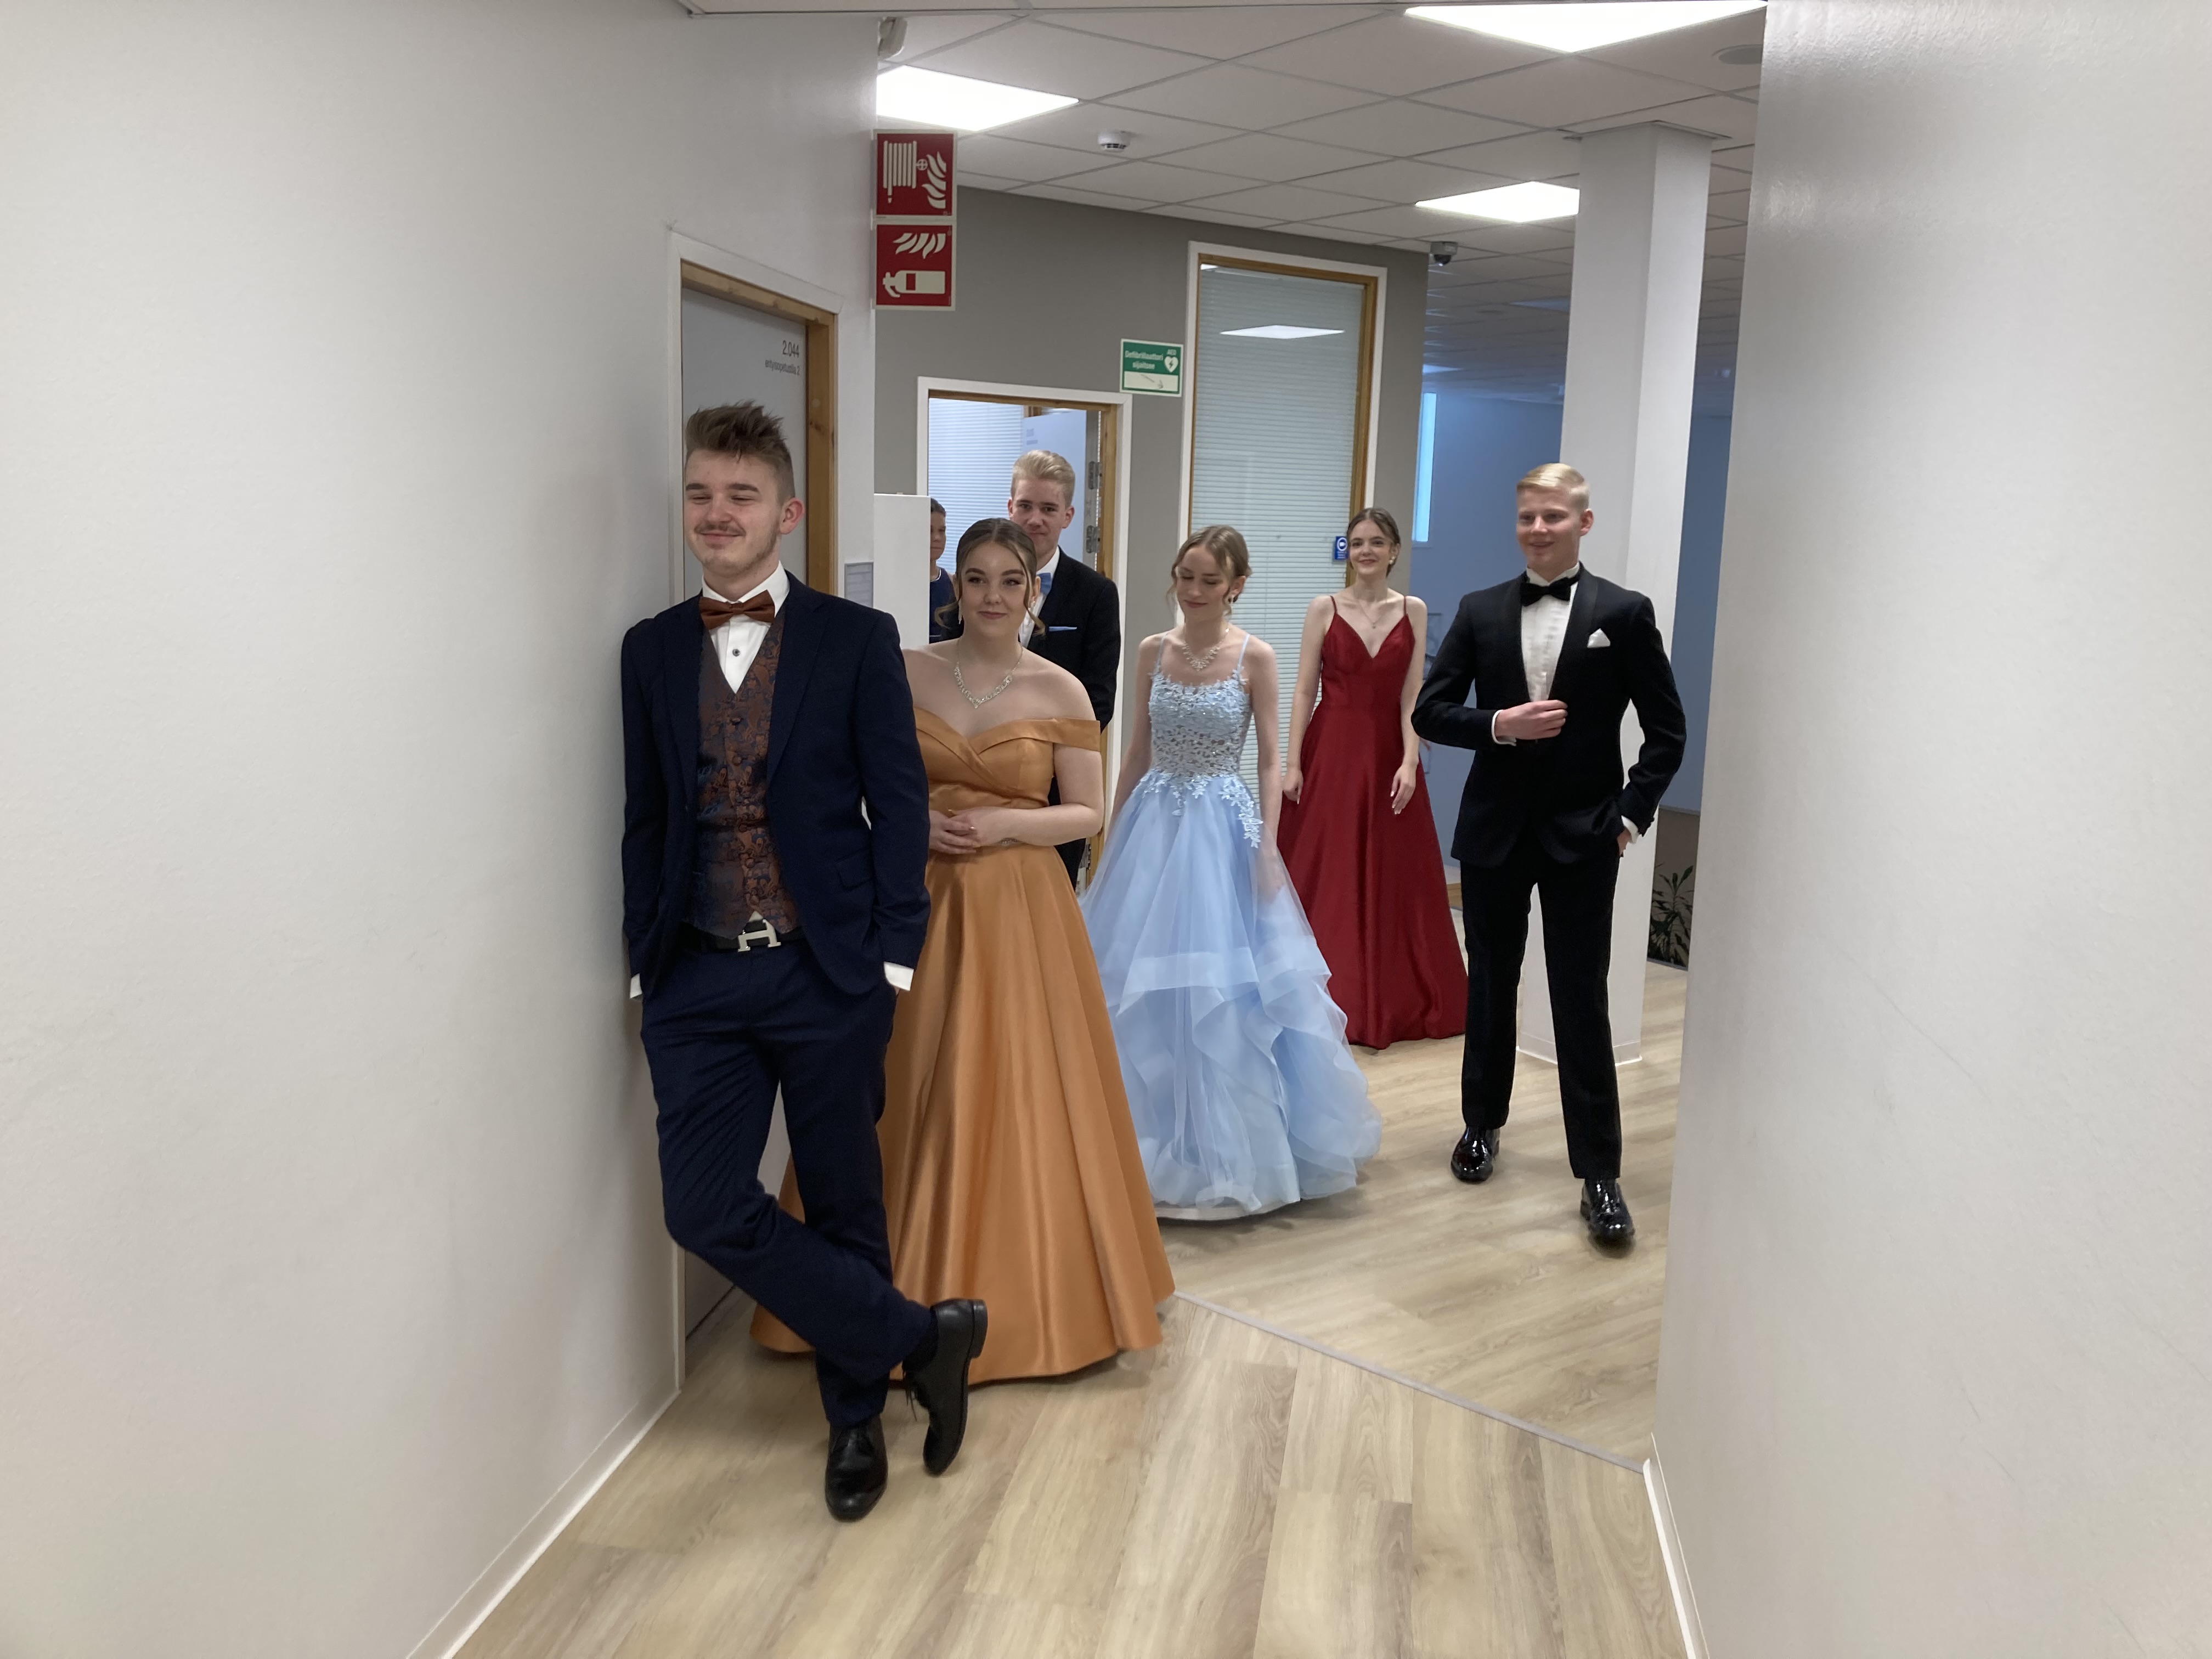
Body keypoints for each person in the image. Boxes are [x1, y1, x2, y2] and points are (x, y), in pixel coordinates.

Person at [621, 402, 985, 1524]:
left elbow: (900, 801)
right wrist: (643, 960)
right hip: (694, 976)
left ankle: (855, 1416)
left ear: (786, 512)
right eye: (700, 493)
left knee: (843, 1199)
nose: (716, 513)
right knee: (704, 1207)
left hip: (826, 970)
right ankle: (921, 1336)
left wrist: (893, 958)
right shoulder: (647, 649)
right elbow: (646, 816)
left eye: (740, 495)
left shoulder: (855, 637)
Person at [754, 518, 1172, 1379]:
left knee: (1016, 1080)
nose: (992, 596)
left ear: (1033, 592)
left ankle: (1031, 1301)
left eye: (1010, 581)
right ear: (955, 583)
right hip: (915, 898)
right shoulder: (905, 668)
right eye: (976, 578)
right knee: (893, 1080)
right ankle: (865, 1290)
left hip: (1021, 907)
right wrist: (910, 825)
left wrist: (1007, 823)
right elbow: (848, 784)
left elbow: (1087, 811)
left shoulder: (1062, 689)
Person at [1412, 463, 1685, 1246]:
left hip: (1585, 836)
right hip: (1494, 832)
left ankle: (1599, 1173)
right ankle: (1480, 1125)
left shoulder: (1624, 614)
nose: (1538, 529)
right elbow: (1431, 711)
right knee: (1491, 987)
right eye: (1528, 516)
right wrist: (1500, 725)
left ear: (1583, 523)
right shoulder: (1479, 609)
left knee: (1580, 999)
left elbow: (1667, 732)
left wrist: (1629, 816)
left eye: (1554, 517)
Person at [1083, 526, 1381, 1218]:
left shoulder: (1256, 657)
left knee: (1227, 987)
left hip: (1222, 825)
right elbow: (1137, 750)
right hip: (1155, 825)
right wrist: (1110, 832)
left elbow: (1272, 760)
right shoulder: (1152, 650)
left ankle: (1230, 1149)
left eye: (1209, 580)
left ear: (1236, 586)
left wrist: (1269, 848)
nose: (1193, 591)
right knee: (1143, 980)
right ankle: (1146, 1137)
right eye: (1185, 576)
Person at [1279, 507, 1468, 1050]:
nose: (1365, 550)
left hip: (1388, 750)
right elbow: (1304, 690)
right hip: (1332, 748)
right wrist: (1292, 763)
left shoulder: (1414, 610)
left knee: (1392, 874)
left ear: (1394, 551)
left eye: (1376, 542)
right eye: (1357, 542)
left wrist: (1409, 760)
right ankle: (1315, 994)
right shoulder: (1324, 607)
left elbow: (1413, 694)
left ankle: (1390, 996)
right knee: (1329, 869)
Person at [1006, 449, 1121, 885]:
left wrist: (1036, 755)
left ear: (1068, 516)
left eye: (1048, 509)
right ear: (1010, 507)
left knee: (1049, 903)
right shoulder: (976, 584)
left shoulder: (1096, 594)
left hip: (1057, 788)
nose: (1035, 519)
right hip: (980, 783)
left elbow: (1098, 701)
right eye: (1026, 506)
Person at [926, 498, 958, 643]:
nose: (937, 538)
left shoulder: (953, 583)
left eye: (942, 531)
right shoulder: (898, 585)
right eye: (929, 531)